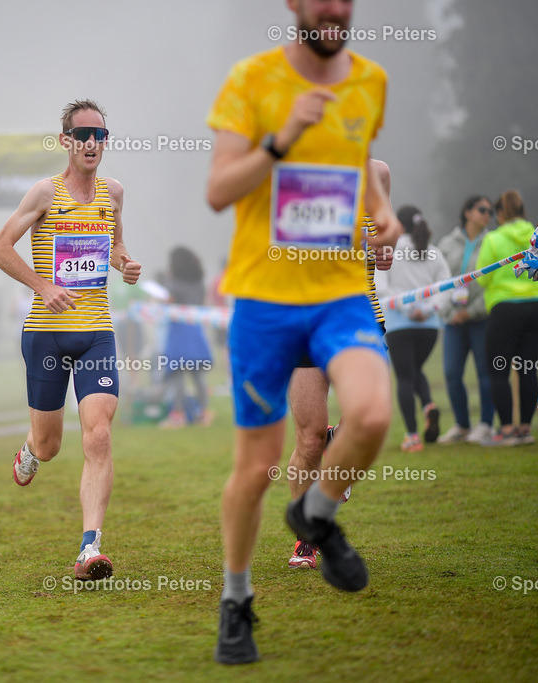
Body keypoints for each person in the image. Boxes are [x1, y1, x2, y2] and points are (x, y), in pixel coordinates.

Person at [206, 0, 401, 665]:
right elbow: (218, 190)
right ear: (292, 3)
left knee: (373, 412)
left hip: (342, 294)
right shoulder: (251, 80)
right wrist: (280, 139)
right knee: (255, 468)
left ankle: (315, 512)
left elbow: (363, 170)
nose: (333, 7)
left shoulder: (370, 81)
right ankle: (237, 601)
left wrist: (386, 221)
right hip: (265, 298)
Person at [0, 99, 142, 581]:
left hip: (97, 332)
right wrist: (43, 286)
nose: (93, 143)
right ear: (66, 141)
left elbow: (114, 247)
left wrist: (125, 264)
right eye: (84, 134)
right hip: (46, 335)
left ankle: (89, 547)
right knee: (52, 445)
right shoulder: (44, 194)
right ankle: (30, 452)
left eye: (101, 134)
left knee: (98, 434)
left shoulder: (113, 194)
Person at [286, 159, 393, 570]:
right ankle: (307, 539)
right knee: (310, 440)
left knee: (367, 417)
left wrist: (384, 250)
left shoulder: (377, 173)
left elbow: (384, 240)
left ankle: (340, 445)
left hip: (360, 319)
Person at [375, 206, 452, 452]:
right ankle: (429, 405)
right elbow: (447, 287)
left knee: (405, 377)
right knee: (415, 369)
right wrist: (428, 309)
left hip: (399, 323)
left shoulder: (390, 251)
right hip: (429, 327)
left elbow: (381, 287)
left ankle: (412, 436)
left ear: (398, 224)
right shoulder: (434, 252)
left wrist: (408, 310)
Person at [476, 189, 538, 446]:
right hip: (536, 306)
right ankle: (525, 429)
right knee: (527, 368)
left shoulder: (493, 238)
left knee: (498, 370)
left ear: (501, 213)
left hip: (504, 309)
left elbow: (483, 277)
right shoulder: (537, 236)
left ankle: (504, 430)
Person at [436, 196, 496, 445]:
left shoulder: (492, 241)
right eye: (482, 209)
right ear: (467, 212)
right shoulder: (447, 243)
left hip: (481, 317)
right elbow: (438, 280)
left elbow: (493, 282)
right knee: (451, 373)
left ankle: (485, 425)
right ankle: (462, 425)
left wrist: (471, 311)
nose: (487, 214)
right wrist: (449, 312)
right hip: (452, 319)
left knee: (485, 372)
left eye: (490, 211)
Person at [159, 246, 213, 427]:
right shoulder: (199, 282)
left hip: (178, 331)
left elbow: (167, 301)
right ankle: (204, 414)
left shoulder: (173, 282)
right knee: (198, 375)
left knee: (177, 375)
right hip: (196, 330)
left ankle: (178, 415)